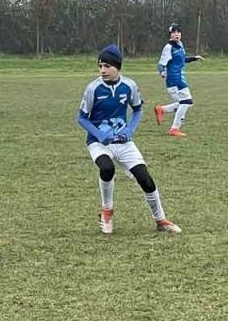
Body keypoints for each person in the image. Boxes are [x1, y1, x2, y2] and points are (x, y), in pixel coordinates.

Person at [77, 44, 181, 235]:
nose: (102, 70)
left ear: (118, 67)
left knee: (146, 180)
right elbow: (81, 117)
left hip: (124, 143)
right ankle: (106, 211)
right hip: (98, 143)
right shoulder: (93, 88)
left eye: (107, 66)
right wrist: (100, 135)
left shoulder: (130, 86)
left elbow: (138, 110)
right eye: (100, 66)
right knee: (107, 168)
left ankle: (161, 220)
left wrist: (129, 130)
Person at [154, 22, 203, 137]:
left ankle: (162, 109)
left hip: (179, 78)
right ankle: (174, 128)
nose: (176, 34)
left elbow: (182, 59)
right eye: (173, 32)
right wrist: (162, 72)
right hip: (173, 79)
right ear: (170, 35)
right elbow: (161, 64)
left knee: (184, 103)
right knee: (186, 102)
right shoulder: (168, 47)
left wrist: (194, 58)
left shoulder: (180, 45)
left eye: (178, 32)